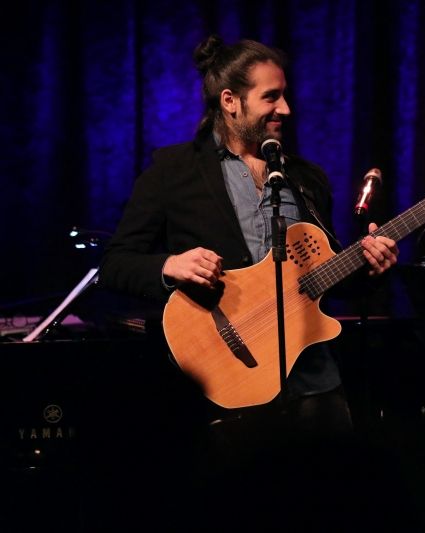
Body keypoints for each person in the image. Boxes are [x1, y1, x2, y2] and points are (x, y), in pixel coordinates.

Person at [98, 35, 399, 530]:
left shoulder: (305, 177)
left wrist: (367, 266)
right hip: (227, 388)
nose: (286, 107)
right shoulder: (174, 172)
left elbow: (321, 285)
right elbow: (116, 263)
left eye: (284, 95)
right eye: (271, 97)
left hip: (314, 386)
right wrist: (168, 265)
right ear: (230, 102)